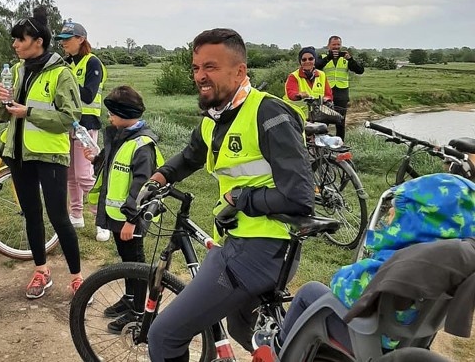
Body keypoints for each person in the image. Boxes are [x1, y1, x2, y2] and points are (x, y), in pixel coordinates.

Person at [142, 28, 314, 362]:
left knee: (164, 336)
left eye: (211, 67)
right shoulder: (214, 117)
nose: (200, 76)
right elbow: (191, 154)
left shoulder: (269, 114)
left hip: (263, 249)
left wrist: (241, 199)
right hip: (241, 242)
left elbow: (300, 197)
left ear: (239, 71)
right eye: (195, 68)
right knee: (244, 331)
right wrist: (160, 176)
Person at [276, 173, 475, 353]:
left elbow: (342, 286)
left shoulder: (402, 264)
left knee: (310, 292)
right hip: (406, 345)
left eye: (398, 210)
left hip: (368, 342)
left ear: (419, 222)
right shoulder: (451, 263)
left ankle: (282, 348)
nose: (389, 214)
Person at [0, 6, 85, 299]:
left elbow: (70, 118)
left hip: (50, 157)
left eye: (20, 39)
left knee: (59, 218)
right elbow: (5, 114)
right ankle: (41, 271)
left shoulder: (61, 74)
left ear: (38, 41)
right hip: (18, 154)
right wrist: (3, 103)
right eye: (15, 40)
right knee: (31, 215)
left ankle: (77, 278)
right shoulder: (18, 70)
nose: (15, 44)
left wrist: (28, 112)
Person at [84, 85, 164, 334]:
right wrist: (96, 159)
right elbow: (114, 166)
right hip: (119, 217)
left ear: (125, 113)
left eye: (113, 114)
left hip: (132, 218)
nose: (109, 118)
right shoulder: (119, 135)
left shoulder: (142, 145)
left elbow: (142, 186)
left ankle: (139, 313)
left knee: (136, 263)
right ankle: (130, 298)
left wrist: (132, 220)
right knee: (126, 259)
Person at [54, 20, 111, 242]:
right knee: (70, 173)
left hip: (86, 124)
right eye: (61, 40)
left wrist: (65, 85)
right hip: (66, 123)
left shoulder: (92, 63)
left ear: (81, 40)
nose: (63, 44)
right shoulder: (66, 63)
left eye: (67, 39)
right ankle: (76, 214)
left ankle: (102, 220)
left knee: (84, 174)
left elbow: (88, 95)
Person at [315, 35, 364, 140]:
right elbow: (316, 67)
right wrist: (329, 58)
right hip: (326, 92)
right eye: (334, 44)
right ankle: (322, 144)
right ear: (329, 45)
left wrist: (350, 59)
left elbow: (360, 70)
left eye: (338, 44)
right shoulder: (323, 57)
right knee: (324, 120)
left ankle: (340, 144)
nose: (336, 47)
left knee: (340, 121)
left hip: (341, 92)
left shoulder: (345, 59)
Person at [284, 46, 333, 119]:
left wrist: (326, 99)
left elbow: (329, 94)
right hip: (297, 117)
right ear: (300, 62)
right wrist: (299, 95)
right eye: (304, 59)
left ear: (315, 60)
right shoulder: (293, 76)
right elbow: (291, 94)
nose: (307, 61)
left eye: (310, 59)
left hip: (318, 116)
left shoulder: (322, 75)